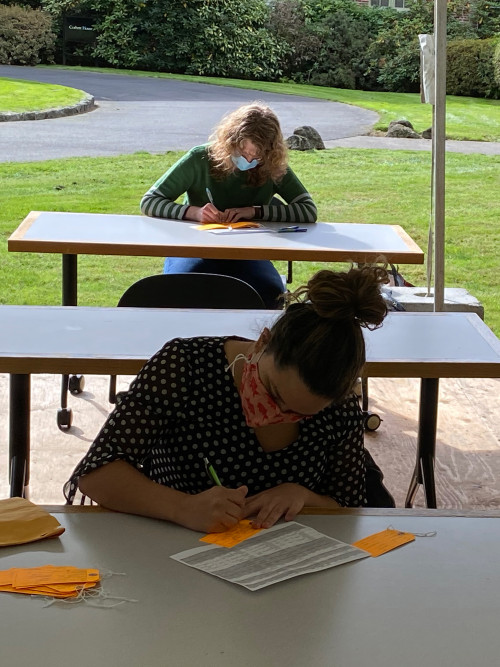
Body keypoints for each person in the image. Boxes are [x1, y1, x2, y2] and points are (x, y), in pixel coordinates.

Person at [65, 265, 394, 533]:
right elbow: (97, 472)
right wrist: (182, 507)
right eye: (274, 393)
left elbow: (350, 504)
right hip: (174, 552)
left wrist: (303, 495)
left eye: (299, 414)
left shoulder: (340, 407)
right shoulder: (186, 366)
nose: (275, 413)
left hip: (283, 566)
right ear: (262, 343)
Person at [140, 102, 317, 309]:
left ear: (269, 152)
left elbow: (308, 209)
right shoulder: (200, 158)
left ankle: (253, 341)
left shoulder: (272, 166)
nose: (249, 159)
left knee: (270, 295)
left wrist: (255, 211)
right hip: (195, 247)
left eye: (256, 155)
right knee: (183, 289)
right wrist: (193, 212)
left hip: (247, 252)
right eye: (243, 152)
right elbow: (150, 201)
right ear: (231, 141)